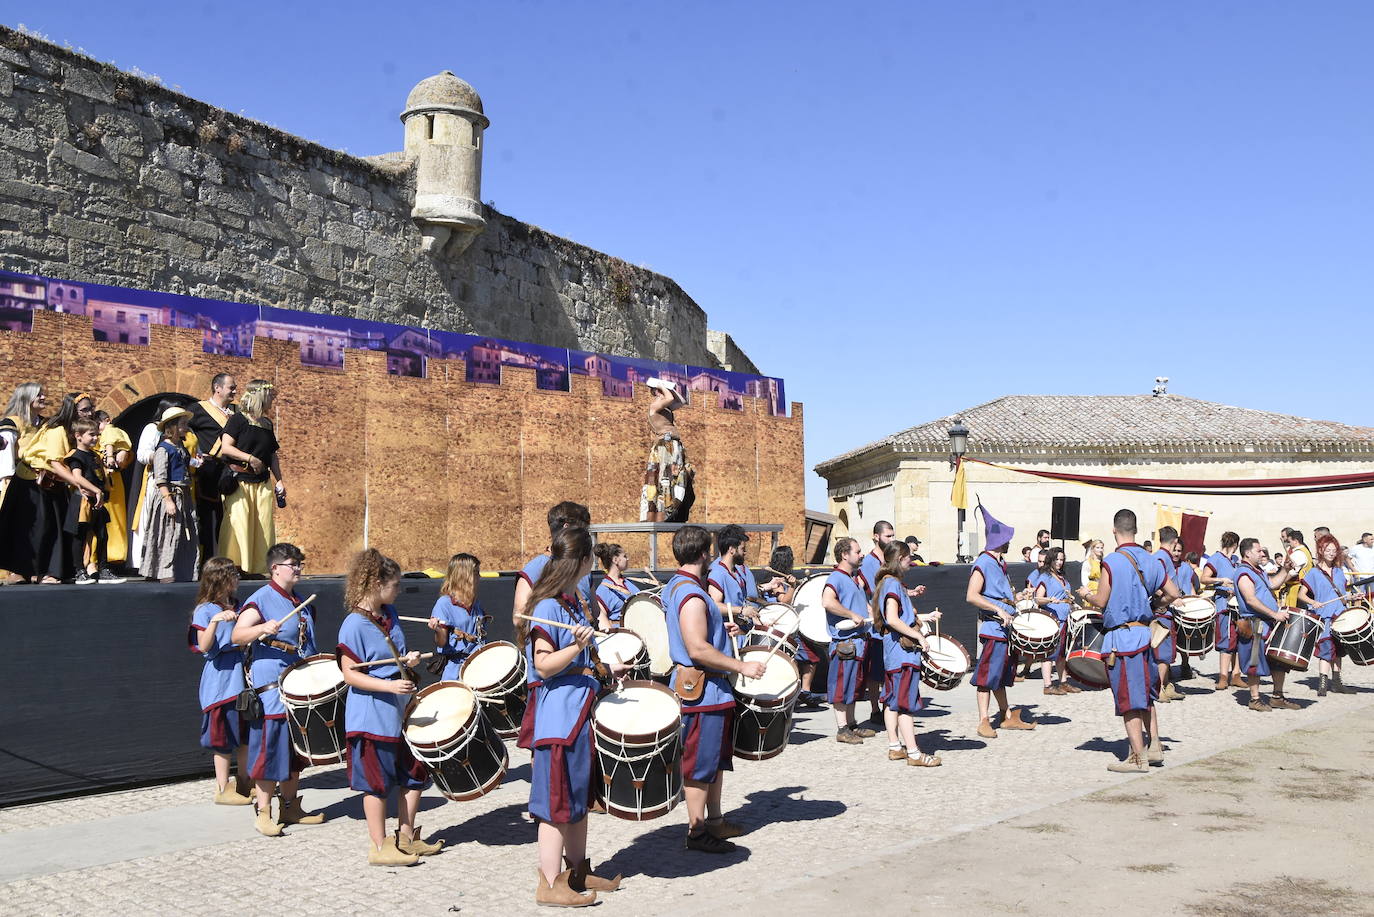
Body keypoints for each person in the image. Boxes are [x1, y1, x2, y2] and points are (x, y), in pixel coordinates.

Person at [517, 526, 625, 905]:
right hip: (558, 722)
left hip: (579, 715)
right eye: (590, 556)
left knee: (578, 801)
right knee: (555, 806)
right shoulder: (547, 607)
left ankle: (577, 872)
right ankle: (549, 884)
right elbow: (543, 664)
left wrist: (606, 667)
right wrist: (577, 648)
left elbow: (581, 660)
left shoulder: (574, 602)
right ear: (579, 561)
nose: (593, 563)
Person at [336, 548, 443, 866]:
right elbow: (349, 674)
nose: (399, 590)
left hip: (399, 711)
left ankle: (405, 838)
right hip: (371, 716)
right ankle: (379, 847)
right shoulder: (353, 624)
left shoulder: (390, 614)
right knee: (376, 783)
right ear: (376, 583)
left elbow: (393, 658)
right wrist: (390, 686)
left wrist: (407, 661)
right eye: (394, 585)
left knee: (415, 772)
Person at [664, 525, 763, 853]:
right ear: (703, 553)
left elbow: (698, 632)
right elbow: (697, 649)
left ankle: (716, 821)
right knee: (699, 765)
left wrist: (721, 626)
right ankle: (697, 831)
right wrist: (741, 666)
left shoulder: (681, 585)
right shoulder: (691, 594)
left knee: (714, 761)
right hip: (702, 690)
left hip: (711, 691)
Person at [230, 542, 325, 836]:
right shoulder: (261, 599)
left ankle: (291, 807)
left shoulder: (298, 599)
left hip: (298, 686)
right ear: (275, 568)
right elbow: (237, 636)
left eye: (299, 563)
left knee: (294, 751)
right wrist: (261, 629)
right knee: (270, 749)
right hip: (272, 688)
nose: (297, 568)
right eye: (292, 564)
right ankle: (263, 812)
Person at [1077, 509, 1178, 771]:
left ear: (1114, 531)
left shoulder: (1112, 561)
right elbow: (1173, 593)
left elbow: (1101, 600)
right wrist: (1153, 605)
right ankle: (1154, 747)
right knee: (1145, 694)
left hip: (1122, 639)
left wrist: (1086, 595)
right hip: (1145, 635)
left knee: (1129, 699)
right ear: (1135, 530)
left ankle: (1137, 758)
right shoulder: (1151, 560)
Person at [514, 501, 594, 753]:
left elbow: (592, 613)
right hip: (552, 683)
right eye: (583, 528)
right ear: (568, 527)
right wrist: (563, 635)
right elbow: (520, 617)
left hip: (577, 685)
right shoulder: (538, 567)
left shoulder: (580, 578)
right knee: (546, 751)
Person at [187, 556, 251, 805]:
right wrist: (215, 621)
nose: (237, 579)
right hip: (222, 681)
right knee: (222, 738)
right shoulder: (205, 610)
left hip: (243, 677)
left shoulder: (239, 605)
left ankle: (245, 783)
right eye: (233, 574)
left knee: (246, 735)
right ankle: (223, 788)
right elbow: (204, 646)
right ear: (220, 579)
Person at [873, 540, 942, 766]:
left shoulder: (887, 583)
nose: (911, 561)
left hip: (893, 653)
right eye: (908, 558)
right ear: (899, 559)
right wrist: (919, 637)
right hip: (902, 654)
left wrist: (925, 617)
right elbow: (892, 619)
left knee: (892, 701)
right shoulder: (892, 584)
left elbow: (901, 618)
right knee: (904, 704)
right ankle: (913, 753)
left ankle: (895, 747)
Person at [21, 393, 104, 583]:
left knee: (59, 528)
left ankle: (56, 571)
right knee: (44, 528)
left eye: (91, 409)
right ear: (73, 410)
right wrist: (79, 484)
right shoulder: (57, 429)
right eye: (84, 410)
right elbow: (55, 463)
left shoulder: (73, 431)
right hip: (35, 482)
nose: (89, 413)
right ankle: (40, 573)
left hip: (55, 483)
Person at [966, 536, 1035, 738]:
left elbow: (999, 595)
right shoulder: (984, 562)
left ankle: (1007, 715)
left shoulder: (999, 563)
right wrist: (998, 609)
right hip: (993, 629)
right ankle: (983, 721)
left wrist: (1017, 598)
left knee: (1000, 675)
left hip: (1005, 630)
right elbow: (972, 595)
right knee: (986, 677)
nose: (1010, 542)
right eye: (1007, 538)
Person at [218, 380, 284, 576]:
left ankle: (257, 568)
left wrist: (280, 480)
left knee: (263, 525)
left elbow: (272, 455)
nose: (272, 400)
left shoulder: (266, 423)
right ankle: (234, 568)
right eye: (270, 396)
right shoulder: (238, 419)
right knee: (239, 525)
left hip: (262, 482)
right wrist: (250, 458)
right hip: (239, 481)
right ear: (261, 396)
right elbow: (226, 447)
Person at [822, 537, 879, 744]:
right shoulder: (836, 578)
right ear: (845, 555)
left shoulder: (853, 578)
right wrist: (850, 614)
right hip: (845, 643)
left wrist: (871, 612)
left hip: (859, 642)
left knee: (854, 685)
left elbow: (861, 605)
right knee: (841, 685)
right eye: (857, 551)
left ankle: (852, 724)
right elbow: (827, 602)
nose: (861, 554)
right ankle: (842, 729)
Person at [1234, 537, 1299, 712]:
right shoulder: (1243, 573)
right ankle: (1255, 699)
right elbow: (1250, 600)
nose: (1262, 553)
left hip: (1268, 623)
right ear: (1247, 553)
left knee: (1278, 661)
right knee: (1254, 662)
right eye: (1258, 550)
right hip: (1255, 624)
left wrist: (1285, 570)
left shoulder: (1257, 571)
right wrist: (1274, 614)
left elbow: (1273, 584)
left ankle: (1277, 697)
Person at [142, 407, 201, 583]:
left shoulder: (180, 446)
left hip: (184, 495)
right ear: (172, 426)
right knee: (168, 532)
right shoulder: (163, 449)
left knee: (184, 534)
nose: (186, 427)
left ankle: (182, 570)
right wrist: (168, 500)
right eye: (182, 424)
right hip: (171, 495)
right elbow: (160, 477)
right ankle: (164, 571)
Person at [0, 382, 47, 584]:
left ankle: (34, 568)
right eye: (39, 395)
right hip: (18, 481)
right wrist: (8, 482)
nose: (43, 397)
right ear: (27, 398)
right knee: (18, 526)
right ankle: (12, 570)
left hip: (42, 481)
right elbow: (6, 456)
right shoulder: (12, 423)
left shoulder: (45, 424)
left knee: (39, 525)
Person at [187, 373, 237, 560]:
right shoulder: (198, 409)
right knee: (206, 520)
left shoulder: (235, 414)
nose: (235, 391)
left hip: (230, 472)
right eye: (231, 387)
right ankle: (206, 563)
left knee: (228, 520)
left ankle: (227, 560)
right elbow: (182, 433)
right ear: (217, 388)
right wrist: (194, 455)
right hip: (208, 472)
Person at [768, 545, 824, 709]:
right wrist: (792, 586)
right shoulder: (777, 581)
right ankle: (803, 692)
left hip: (788, 626)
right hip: (784, 628)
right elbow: (784, 601)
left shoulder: (781, 579)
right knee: (809, 658)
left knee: (805, 659)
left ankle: (802, 692)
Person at [1300, 534, 1355, 696]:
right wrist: (1313, 602)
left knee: (1339, 650)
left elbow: (1342, 595)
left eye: (1334, 550)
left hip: (1340, 616)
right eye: (1327, 550)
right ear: (1321, 551)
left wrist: (1351, 597)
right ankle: (1322, 684)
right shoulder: (1313, 572)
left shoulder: (1339, 571)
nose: (1331, 553)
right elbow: (1301, 594)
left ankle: (1337, 683)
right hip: (1324, 616)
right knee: (1325, 648)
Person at [130, 397, 181, 572]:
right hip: (157, 480)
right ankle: (148, 562)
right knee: (154, 521)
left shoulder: (182, 432)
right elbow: (142, 454)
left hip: (178, 482)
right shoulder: (152, 429)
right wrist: (163, 455)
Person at [62, 418, 115, 585]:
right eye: (91, 435)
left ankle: (104, 568)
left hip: (97, 502)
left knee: (102, 535)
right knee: (79, 536)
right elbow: (77, 477)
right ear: (78, 436)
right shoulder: (76, 457)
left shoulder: (94, 455)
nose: (95, 438)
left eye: (97, 435)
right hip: (82, 501)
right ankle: (79, 571)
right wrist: (96, 490)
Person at [640, 378, 694, 522]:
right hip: (665, 445)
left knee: (675, 477)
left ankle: (671, 511)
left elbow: (681, 401)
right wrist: (661, 386)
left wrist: (669, 388)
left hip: (673, 445)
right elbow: (669, 398)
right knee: (663, 477)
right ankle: (658, 514)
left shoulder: (666, 409)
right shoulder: (655, 405)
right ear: (657, 392)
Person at [429, 552, 485, 681]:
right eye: (476, 573)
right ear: (465, 576)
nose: (479, 576)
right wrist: (437, 629)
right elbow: (441, 643)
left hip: (478, 666)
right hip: (457, 671)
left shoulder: (475, 603)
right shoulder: (444, 604)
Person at [1200, 532, 1244, 691]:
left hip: (1238, 605)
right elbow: (1204, 579)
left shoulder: (1236, 560)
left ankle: (1236, 675)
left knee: (1240, 640)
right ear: (1236, 545)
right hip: (1224, 604)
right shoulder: (1215, 559)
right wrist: (1221, 581)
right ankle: (1223, 676)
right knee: (1226, 640)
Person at [1033, 547, 1079, 695]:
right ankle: (1048, 685)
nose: (1059, 562)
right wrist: (1049, 599)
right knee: (1049, 652)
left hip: (1064, 619)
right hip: (1052, 620)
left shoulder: (1062, 577)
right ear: (1051, 560)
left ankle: (1063, 682)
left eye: (1061, 559)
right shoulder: (1045, 577)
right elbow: (1038, 598)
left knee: (1061, 653)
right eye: (1057, 559)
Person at [94, 411, 132, 576]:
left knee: (113, 518)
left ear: (107, 421)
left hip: (111, 479)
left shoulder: (111, 430)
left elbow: (111, 443)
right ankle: (108, 556)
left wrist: (111, 456)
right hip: (105, 478)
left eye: (98, 424)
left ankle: (113, 555)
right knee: (110, 518)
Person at [1150, 527, 1184, 703]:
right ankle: (1159, 689)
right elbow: (1154, 583)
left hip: (1166, 611)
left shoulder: (1161, 557)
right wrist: (1169, 598)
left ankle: (1167, 684)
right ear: (1174, 541)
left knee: (1167, 651)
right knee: (1162, 653)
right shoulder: (1161, 558)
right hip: (1162, 612)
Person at [593, 542, 640, 631]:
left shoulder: (628, 583)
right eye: (625, 556)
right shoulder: (603, 590)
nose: (627, 559)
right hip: (622, 635)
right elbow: (602, 621)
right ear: (615, 560)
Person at [1279, 527, 1313, 608]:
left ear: (1295, 541)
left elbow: (1292, 572)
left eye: (1290, 541)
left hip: (1297, 589)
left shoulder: (1298, 554)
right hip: (1300, 588)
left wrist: (1280, 583)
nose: (1289, 543)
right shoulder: (1304, 550)